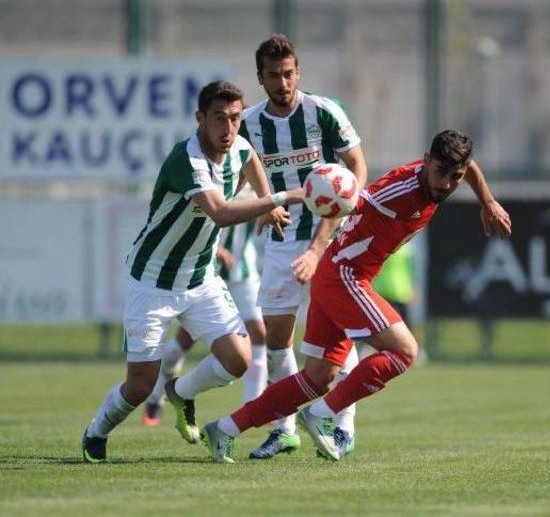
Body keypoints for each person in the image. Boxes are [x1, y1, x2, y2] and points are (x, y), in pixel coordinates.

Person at [199, 129, 512, 463]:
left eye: (456, 176)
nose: (448, 184)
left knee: (317, 377)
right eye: (441, 173)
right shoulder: (399, 190)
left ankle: (226, 429)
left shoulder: (442, 176)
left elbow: (471, 167)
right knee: (404, 351)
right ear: (425, 161)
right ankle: (321, 414)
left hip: (335, 276)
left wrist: (488, 200)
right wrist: (311, 201)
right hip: (344, 276)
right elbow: (349, 200)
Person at [81, 80, 304, 463]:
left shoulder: (237, 148)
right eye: (219, 118)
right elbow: (219, 212)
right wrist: (280, 198)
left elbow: (252, 160)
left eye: (235, 118)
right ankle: (96, 431)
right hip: (152, 281)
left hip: (200, 279)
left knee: (238, 359)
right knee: (139, 385)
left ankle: (181, 392)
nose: (229, 128)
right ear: (200, 118)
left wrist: (265, 202)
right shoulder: (187, 161)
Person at [239, 33, 368, 459]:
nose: (283, 82)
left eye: (289, 73)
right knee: (277, 340)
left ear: (299, 73)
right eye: (274, 75)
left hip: (331, 240)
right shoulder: (250, 124)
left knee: (336, 334)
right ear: (261, 77)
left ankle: (343, 426)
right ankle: (284, 428)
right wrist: (257, 206)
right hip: (281, 242)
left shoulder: (323, 111)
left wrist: (334, 221)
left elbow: (357, 167)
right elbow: (241, 178)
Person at [141, 186, 268, 426]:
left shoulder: (260, 181)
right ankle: (156, 397)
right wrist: (216, 248)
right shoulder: (217, 179)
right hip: (209, 272)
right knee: (182, 343)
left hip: (244, 273)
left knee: (259, 334)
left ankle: (255, 405)